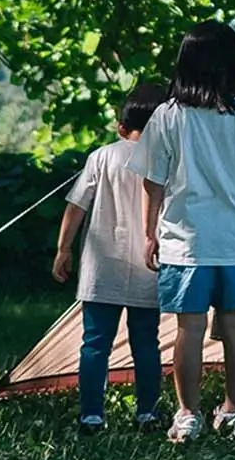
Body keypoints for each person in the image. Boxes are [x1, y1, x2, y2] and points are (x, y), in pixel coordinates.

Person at [136, 20, 235, 442]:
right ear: (231, 64)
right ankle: (234, 412)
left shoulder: (167, 116)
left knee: (190, 330)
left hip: (185, 246)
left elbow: (153, 181)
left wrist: (150, 233)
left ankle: (187, 414)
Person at [53, 81, 168, 432]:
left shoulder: (102, 157)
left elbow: (76, 206)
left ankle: (91, 414)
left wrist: (63, 249)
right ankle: (147, 412)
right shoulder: (166, 158)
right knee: (146, 342)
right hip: (150, 263)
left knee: (95, 343)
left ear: (121, 127)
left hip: (102, 267)